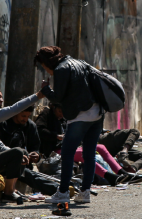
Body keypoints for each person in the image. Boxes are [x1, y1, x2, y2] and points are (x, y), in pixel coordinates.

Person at [35, 46, 105, 204]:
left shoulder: (61, 69)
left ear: (46, 63)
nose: (44, 69)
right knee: (89, 154)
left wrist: (46, 89)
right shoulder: (79, 63)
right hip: (98, 114)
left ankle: (63, 192)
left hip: (80, 116)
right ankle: (85, 192)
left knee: (67, 154)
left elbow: (57, 98)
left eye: (43, 66)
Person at [0, 104, 60, 195]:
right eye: (23, 116)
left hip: (23, 164)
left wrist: (35, 155)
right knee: (31, 176)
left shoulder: (30, 126)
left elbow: (35, 147)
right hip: (4, 164)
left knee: (31, 174)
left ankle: (59, 188)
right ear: (16, 113)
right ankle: (57, 189)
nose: (25, 119)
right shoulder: (3, 124)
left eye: (28, 116)